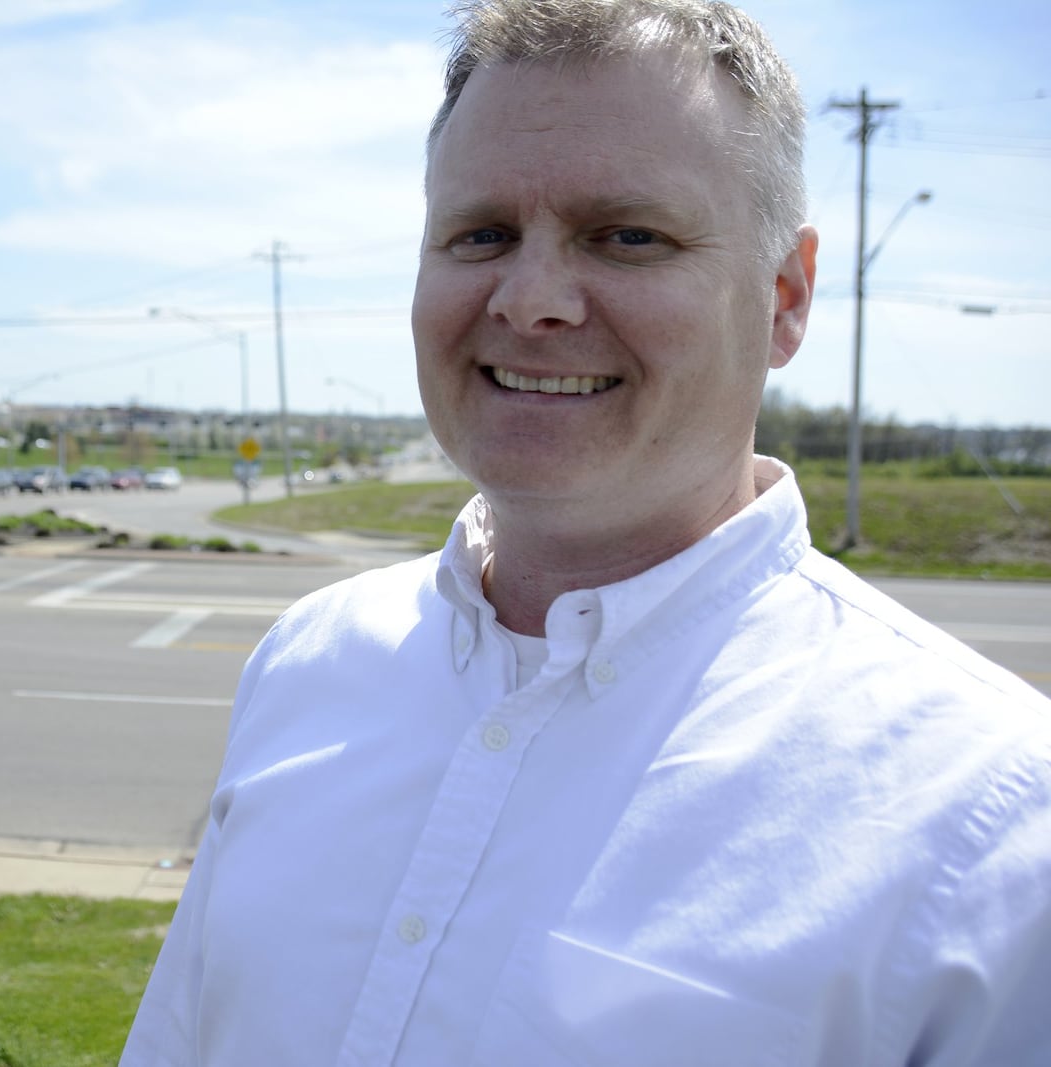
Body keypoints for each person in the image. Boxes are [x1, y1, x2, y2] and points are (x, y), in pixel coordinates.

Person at [120, 1, 1051, 1064]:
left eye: (627, 235)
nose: (531, 299)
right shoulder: (307, 659)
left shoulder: (994, 817)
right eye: (481, 234)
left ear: (785, 296)